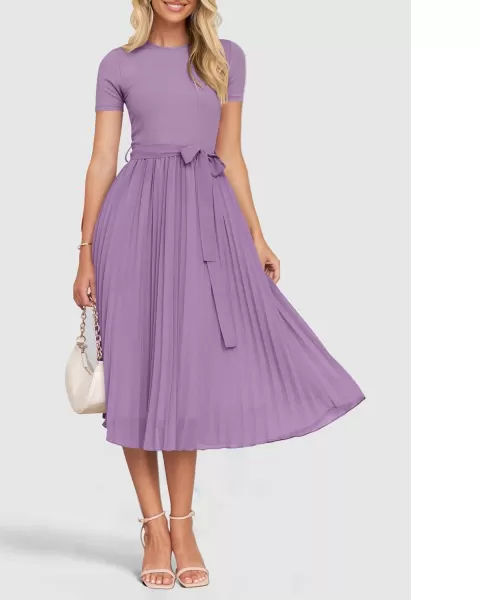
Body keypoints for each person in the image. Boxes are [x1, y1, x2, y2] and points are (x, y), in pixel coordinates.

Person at [72, 0, 365, 590]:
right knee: (134, 377)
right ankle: (154, 528)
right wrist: (85, 251)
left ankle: (183, 527)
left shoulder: (226, 59)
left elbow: (230, 154)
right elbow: (102, 159)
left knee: (185, 377)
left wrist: (256, 235)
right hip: (133, 228)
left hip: (205, 226)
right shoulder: (117, 64)